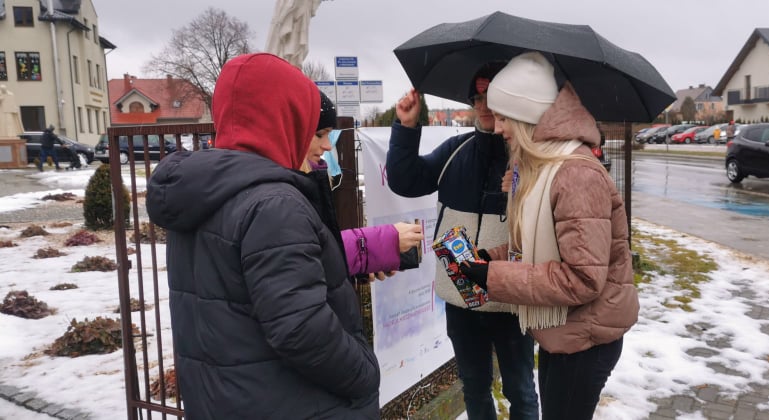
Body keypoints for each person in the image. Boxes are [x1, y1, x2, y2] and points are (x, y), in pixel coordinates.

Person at [145, 53, 380, 419]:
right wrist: (365, 375)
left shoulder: (202, 194)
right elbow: (301, 329)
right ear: (284, 119)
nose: (327, 145)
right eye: (307, 121)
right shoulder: (273, 204)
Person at [458, 51, 639, 420]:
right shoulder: (546, 167)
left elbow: (583, 277)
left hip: (586, 338)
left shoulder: (574, 175)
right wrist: (492, 257)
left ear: (526, 117)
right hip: (568, 333)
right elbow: (545, 243)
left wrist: (494, 278)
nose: (497, 127)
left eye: (505, 116)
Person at [386, 62, 540, 419]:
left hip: (511, 299)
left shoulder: (529, 157)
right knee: (474, 387)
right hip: (461, 297)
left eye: (492, 97)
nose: (484, 106)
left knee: (521, 391)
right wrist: (406, 128)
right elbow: (405, 180)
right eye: (477, 98)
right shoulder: (456, 150)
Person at [304, 90, 424, 278]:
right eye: (320, 134)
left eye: (329, 135)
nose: (328, 145)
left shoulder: (306, 178)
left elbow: (315, 254)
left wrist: (364, 263)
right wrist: (381, 244)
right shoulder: (280, 192)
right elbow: (309, 260)